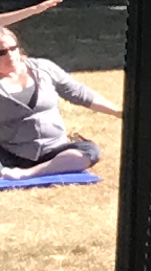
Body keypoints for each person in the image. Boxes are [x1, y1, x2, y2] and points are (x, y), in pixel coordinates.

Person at [0, 21, 116, 175]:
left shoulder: (43, 68)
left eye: (13, 48)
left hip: (55, 151)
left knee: (90, 151)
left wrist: (119, 112)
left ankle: (28, 173)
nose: (10, 55)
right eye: (2, 52)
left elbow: (80, 94)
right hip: (12, 154)